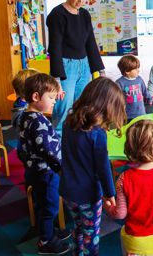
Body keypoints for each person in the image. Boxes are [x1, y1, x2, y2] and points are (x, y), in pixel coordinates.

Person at [59, 77, 126, 255]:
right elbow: (103, 168)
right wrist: (110, 193)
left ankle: (77, 252)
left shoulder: (69, 122)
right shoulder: (97, 134)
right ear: (107, 106)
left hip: (67, 190)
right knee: (91, 236)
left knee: (78, 227)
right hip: (87, 195)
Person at [105, 119, 153, 256]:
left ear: (130, 147)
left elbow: (120, 214)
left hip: (135, 243)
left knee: (123, 233)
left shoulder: (123, 178)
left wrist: (109, 207)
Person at [16, 73, 71, 255]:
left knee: (43, 203)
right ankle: (46, 241)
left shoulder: (26, 116)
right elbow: (48, 151)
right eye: (51, 98)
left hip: (33, 170)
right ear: (36, 97)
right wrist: (61, 166)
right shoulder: (38, 122)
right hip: (46, 172)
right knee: (50, 206)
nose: (54, 102)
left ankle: (49, 231)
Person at [46, 0, 105, 136]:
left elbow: (90, 42)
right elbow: (55, 47)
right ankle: (58, 145)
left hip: (84, 65)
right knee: (63, 107)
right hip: (66, 66)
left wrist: (99, 69)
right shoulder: (57, 15)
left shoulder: (85, 14)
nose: (81, 0)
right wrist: (57, 78)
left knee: (83, 106)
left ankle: (78, 140)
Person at [115, 54, 150, 121]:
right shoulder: (119, 83)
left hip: (141, 113)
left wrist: (149, 98)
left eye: (138, 68)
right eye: (135, 69)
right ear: (127, 71)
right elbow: (115, 98)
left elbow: (145, 91)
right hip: (128, 115)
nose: (138, 70)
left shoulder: (139, 79)